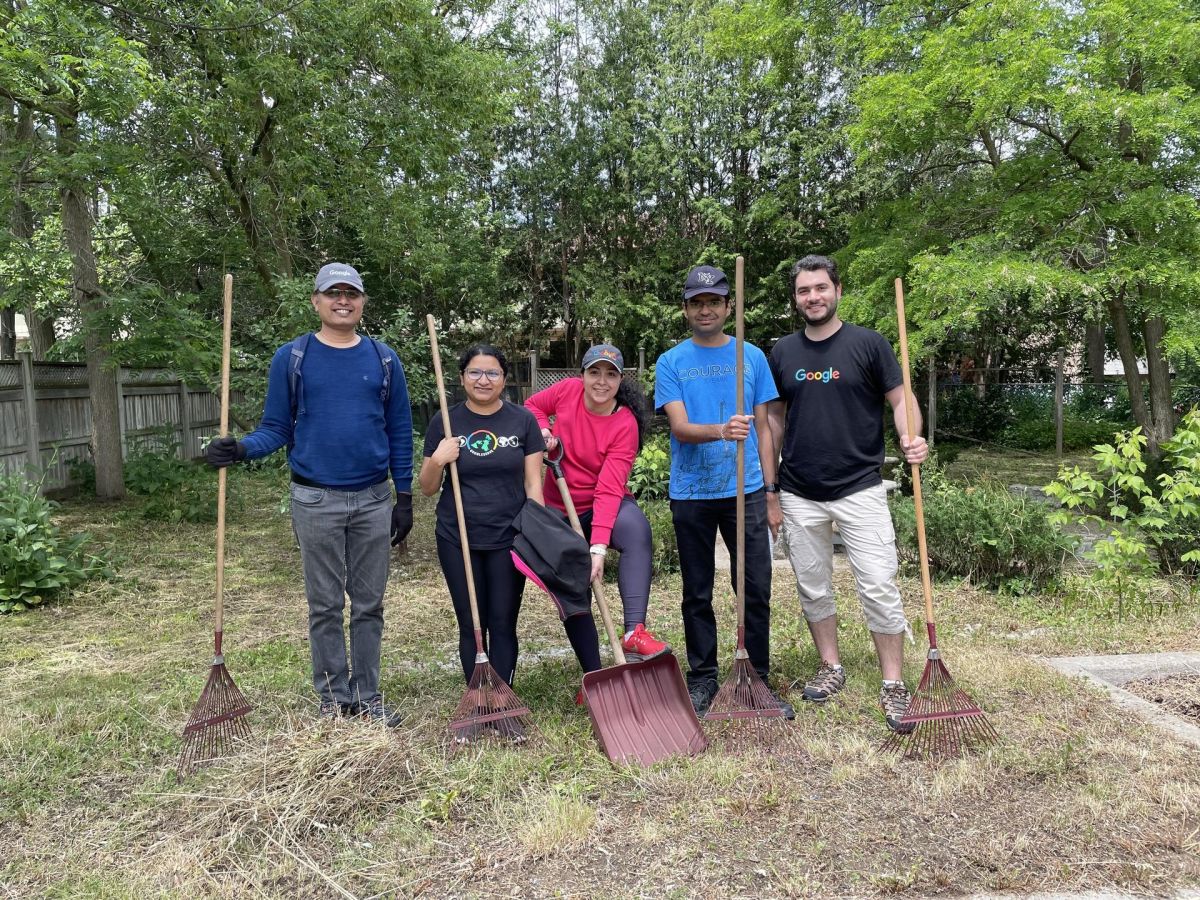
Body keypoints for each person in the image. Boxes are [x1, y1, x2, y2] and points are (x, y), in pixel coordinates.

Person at [206, 262, 413, 726]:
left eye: (351, 294)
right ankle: (334, 698)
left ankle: (368, 695)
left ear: (362, 302)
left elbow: (400, 431)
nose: (343, 301)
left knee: (369, 605)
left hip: (373, 500)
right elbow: (277, 428)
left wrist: (405, 497)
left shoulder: (383, 359)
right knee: (324, 605)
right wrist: (239, 448)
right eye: (333, 293)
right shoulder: (293, 358)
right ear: (316, 301)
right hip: (314, 499)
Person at [766, 254, 928, 733]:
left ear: (837, 290)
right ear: (796, 298)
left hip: (860, 486)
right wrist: (771, 488)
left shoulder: (868, 344)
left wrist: (912, 436)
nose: (812, 297)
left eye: (820, 287)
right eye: (803, 290)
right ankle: (831, 667)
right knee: (813, 585)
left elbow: (901, 400)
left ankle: (893, 682)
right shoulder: (783, 352)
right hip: (799, 490)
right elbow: (773, 419)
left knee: (878, 583)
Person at [653, 265, 792, 719]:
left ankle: (757, 678)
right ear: (686, 309)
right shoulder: (671, 361)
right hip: (691, 491)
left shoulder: (751, 356)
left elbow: (767, 429)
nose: (706, 309)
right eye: (698, 302)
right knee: (697, 589)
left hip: (747, 488)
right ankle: (703, 677)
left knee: (753, 585)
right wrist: (720, 429)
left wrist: (771, 492)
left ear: (728, 307)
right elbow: (679, 427)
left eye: (714, 301)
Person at [525, 344, 669, 687]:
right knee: (572, 581)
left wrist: (599, 548)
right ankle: (594, 673)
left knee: (636, 530)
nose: (601, 381)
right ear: (582, 375)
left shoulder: (624, 424)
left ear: (621, 380)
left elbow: (608, 490)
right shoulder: (566, 392)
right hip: (558, 507)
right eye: (595, 372)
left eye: (611, 374)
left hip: (604, 504)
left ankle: (634, 630)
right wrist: (544, 429)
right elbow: (531, 405)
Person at [419, 344, 545, 693]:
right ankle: (477, 698)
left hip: (509, 536)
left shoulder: (522, 420)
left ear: (505, 379)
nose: (483, 380)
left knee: (503, 622)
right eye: (475, 372)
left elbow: (533, 483)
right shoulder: (445, 420)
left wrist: (535, 532)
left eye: (492, 373)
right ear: (462, 378)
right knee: (472, 624)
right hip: (457, 537)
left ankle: (502, 699)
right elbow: (428, 487)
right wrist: (439, 458)